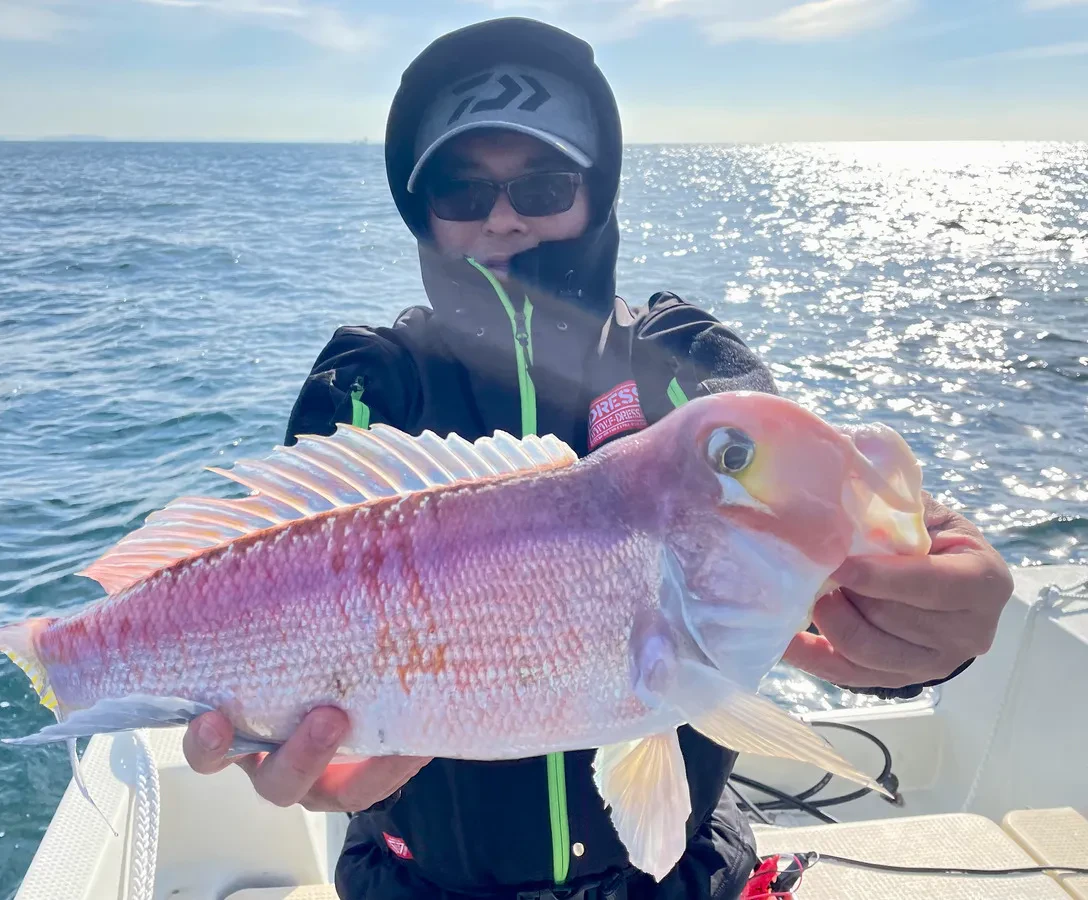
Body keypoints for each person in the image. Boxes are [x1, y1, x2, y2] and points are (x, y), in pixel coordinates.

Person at [183, 16, 1015, 900]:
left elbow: (813, 562)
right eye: (461, 191)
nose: (502, 215)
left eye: (542, 181)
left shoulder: (687, 362)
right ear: (420, 211)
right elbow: (276, 602)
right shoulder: (368, 385)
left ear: (597, 190)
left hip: (680, 873)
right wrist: (287, 751)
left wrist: (926, 634)